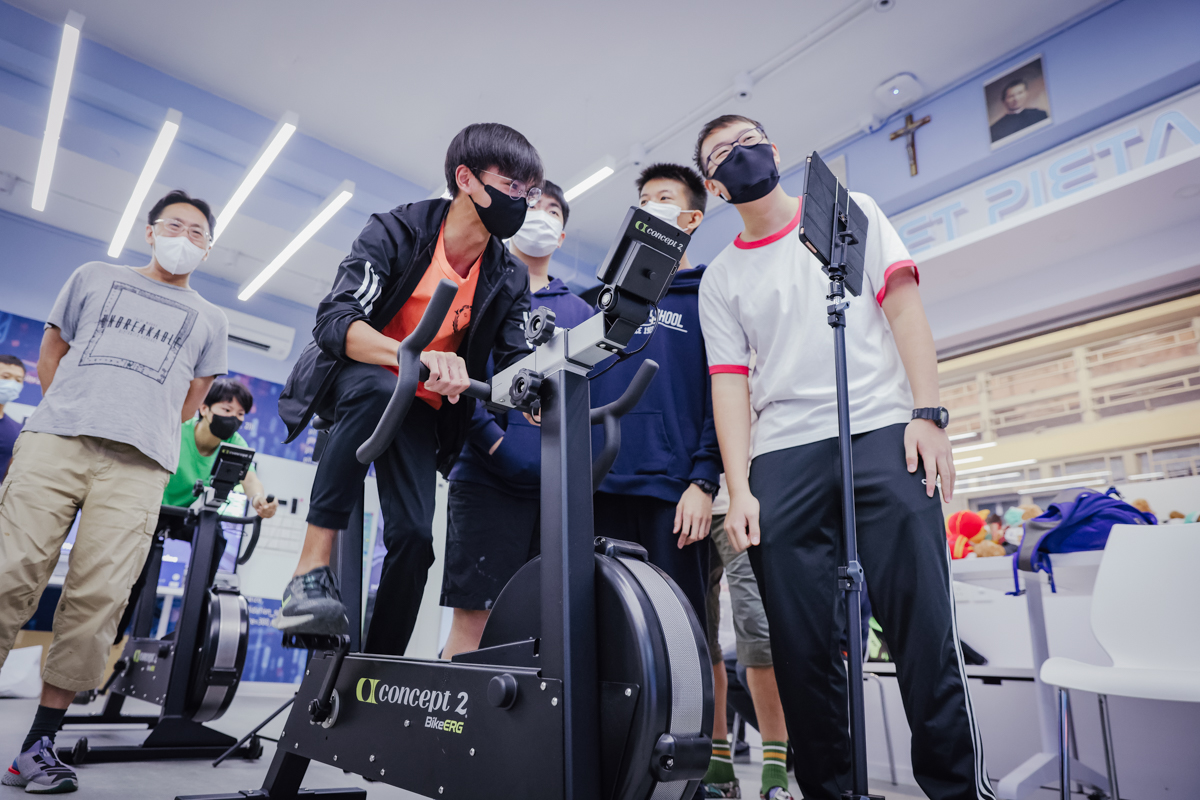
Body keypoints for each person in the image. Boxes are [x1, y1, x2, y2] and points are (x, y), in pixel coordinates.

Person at [695, 115, 994, 800]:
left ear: (774, 150)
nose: (739, 155)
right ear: (715, 186)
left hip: (883, 430)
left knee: (923, 631)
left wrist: (928, 415)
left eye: (748, 141)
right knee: (803, 652)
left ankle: (957, 790)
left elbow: (904, 307)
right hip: (783, 456)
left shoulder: (847, 212)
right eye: (721, 154)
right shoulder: (722, 277)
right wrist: (739, 489)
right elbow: (729, 386)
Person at [273, 123, 541, 658]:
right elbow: (336, 320)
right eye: (512, 186)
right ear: (466, 178)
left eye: (530, 193)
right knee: (378, 385)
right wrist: (410, 357)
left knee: (416, 540)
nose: (522, 202)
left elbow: (517, 363)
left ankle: (378, 667)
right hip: (359, 376)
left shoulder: (508, 275)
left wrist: (539, 390)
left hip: (420, 407)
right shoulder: (398, 231)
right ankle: (309, 571)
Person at [0, 190, 227, 793]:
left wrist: (137, 423)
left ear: (208, 249)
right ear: (150, 231)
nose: (185, 237)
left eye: (198, 233)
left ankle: (37, 747)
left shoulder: (212, 319)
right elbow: (52, 353)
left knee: (98, 599)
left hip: (139, 466)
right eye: (175, 225)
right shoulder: (93, 276)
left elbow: (191, 401)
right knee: (8, 573)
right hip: (58, 441)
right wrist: (76, 409)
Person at [439, 181, 592, 658]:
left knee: (540, 626)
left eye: (553, 211)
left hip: (553, 490)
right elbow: (457, 373)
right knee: (475, 621)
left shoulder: (581, 313)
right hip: (484, 478)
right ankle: (453, 709)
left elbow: (585, 399)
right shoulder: (478, 288)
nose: (541, 215)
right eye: (533, 205)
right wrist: (493, 442)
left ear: (561, 236)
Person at [590, 162, 721, 640]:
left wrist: (703, 482)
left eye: (664, 199)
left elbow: (723, 394)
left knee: (678, 634)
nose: (651, 207)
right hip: (601, 487)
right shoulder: (606, 303)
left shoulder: (710, 296)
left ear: (692, 218)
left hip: (674, 493)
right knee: (610, 633)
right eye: (644, 201)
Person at [703, 477, 792, 800]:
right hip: (685, 502)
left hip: (741, 500)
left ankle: (775, 773)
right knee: (700, 638)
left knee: (758, 632)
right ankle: (718, 767)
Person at [0, 355, 26, 483]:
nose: (12, 384)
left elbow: (9, 473)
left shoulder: (16, 429)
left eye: (18, 380)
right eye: (5, 377)